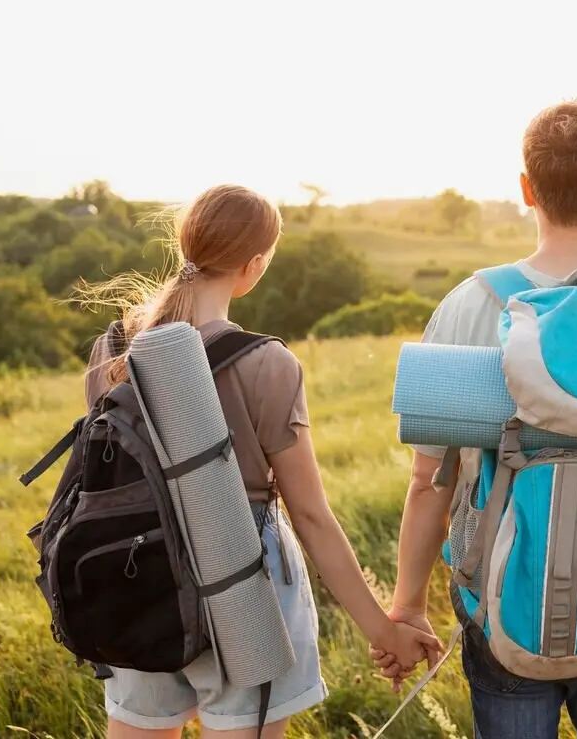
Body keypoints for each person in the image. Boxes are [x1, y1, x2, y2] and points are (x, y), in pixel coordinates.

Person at [373, 101, 577, 738]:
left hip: (502, 615)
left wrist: (408, 605)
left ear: (526, 189)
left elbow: (428, 483)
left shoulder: (471, 308)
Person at [78, 184, 442, 739]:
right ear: (254, 265)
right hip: (243, 585)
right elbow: (312, 517)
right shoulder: (267, 363)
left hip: (135, 575)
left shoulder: (113, 349)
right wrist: (384, 631)